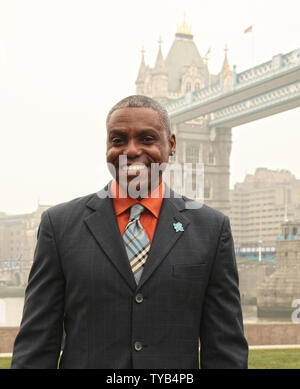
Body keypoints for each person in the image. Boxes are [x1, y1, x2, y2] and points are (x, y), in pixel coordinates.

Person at [11, 95, 248, 369]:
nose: (131, 150)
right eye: (118, 140)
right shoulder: (59, 225)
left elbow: (225, 349)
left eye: (147, 139)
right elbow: (36, 343)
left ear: (170, 145)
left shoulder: (211, 228)